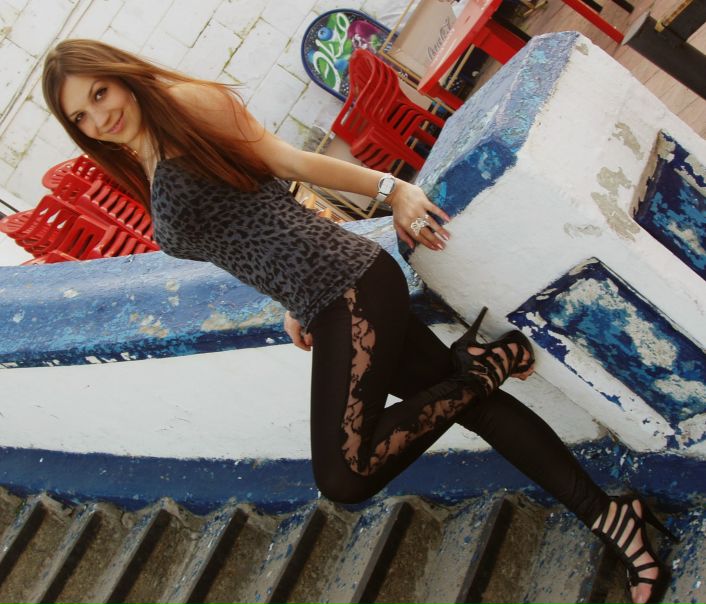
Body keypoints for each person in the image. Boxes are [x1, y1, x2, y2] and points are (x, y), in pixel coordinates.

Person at [42, 39, 675, 604]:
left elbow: (287, 162)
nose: (99, 117)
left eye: (100, 93)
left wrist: (392, 189)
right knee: (469, 407)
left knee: (345, 475)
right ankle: (608, 516)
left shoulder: (186, 105)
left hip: (349, 286)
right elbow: (247, 216)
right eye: (81, 116)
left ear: (122, 75)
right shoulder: (144, 154)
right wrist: (289, 300)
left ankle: (486, 369)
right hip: (323, 296)